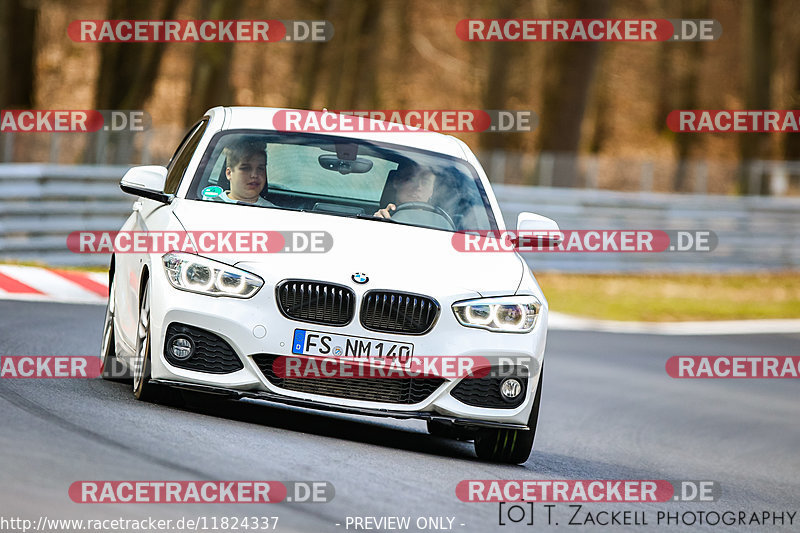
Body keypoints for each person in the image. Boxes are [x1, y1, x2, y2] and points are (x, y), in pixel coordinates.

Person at [219, 138, 275, 206]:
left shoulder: (274, 211)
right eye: (246, 168)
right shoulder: (210, 202)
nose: (254, 175)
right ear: (229, 173)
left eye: (260, 168)